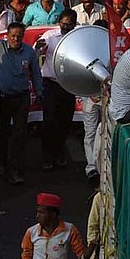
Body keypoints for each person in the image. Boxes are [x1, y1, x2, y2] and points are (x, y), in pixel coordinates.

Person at [0, 21, 44, 185]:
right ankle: (1, 162)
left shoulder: (29, 52)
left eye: (19, 36)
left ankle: (13, 169)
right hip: (2, 98)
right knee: (2, 133)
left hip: (21, 98)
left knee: (19, 134)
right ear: (6, 36)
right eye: (13, 36)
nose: (16, 39)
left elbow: (35, 74)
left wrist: (40, 92)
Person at [36, 10, 78, 172]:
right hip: (51, 84)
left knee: (65, 121)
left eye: (69, 24)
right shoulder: (49, 36)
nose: (65, 27)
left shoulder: (76, 37)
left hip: (68, 85)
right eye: (63, 23)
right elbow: (36, 53)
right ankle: (47, 155)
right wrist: (40, 49)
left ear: (74, 25)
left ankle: (59, 151)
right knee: (50, 121)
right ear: (59, 22)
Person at [19, 192, 88, 259]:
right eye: (37, 212)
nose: (37, 216)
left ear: (53, 214)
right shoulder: (31, 232)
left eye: (42, 212)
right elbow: (26, 258)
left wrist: (93, 246)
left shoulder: (69, 230)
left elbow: (82, 255)